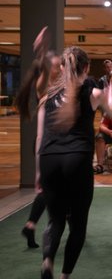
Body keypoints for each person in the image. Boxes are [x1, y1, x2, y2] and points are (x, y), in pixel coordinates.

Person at [33, 46, 112, 279]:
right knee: (78, 224)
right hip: (76, 160)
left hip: (49, 159)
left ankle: (47, 260)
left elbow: (40, 137)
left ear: (63, 67)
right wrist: (109, 91)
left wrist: (39, 171)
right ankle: (65, 277)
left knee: (55, 220)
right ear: (87, 68)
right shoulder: (92, 92)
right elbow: (110, 113)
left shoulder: (48, 96)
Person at [15, 27, 61, 249]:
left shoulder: (57, 85)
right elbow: (43, 67)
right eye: (58, 65)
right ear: (48, 69)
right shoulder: (44, 86)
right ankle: (49, 227)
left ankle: (31, 225)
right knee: (52, 189)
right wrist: (42, 51)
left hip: (53, 144)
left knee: (52, 190)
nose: (61, 67)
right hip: (47, 144)